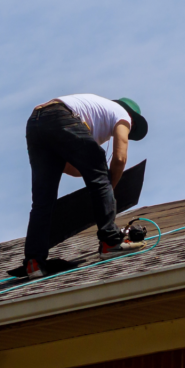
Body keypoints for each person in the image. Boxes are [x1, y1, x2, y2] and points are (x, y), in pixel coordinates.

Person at [22, 94, 149, 278]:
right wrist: (108, 187)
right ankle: (110, 242)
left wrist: (99, 185)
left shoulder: (92, 119)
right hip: (59, 116)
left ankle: (34, 262)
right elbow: (120, 159)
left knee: (43, 201)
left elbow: (74, 168)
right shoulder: (122, 114)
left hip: (36, 124)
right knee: (101, 174)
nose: (128, 134)